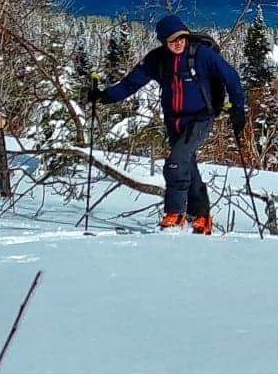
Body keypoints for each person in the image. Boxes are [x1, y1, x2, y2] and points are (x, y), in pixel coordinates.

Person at [87, 15, 248, 235]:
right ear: (164, 42)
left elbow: (231, 77)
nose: (178, 43)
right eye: (172, 40)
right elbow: (132, 83)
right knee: (187, 165)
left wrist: (239, 108)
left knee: (175, 162)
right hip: (174, 120)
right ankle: (201, 217)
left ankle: (175, 214)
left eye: (181, 38)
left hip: (201, 118)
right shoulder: (157, 60)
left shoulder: (202, 55)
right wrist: (105, 96)